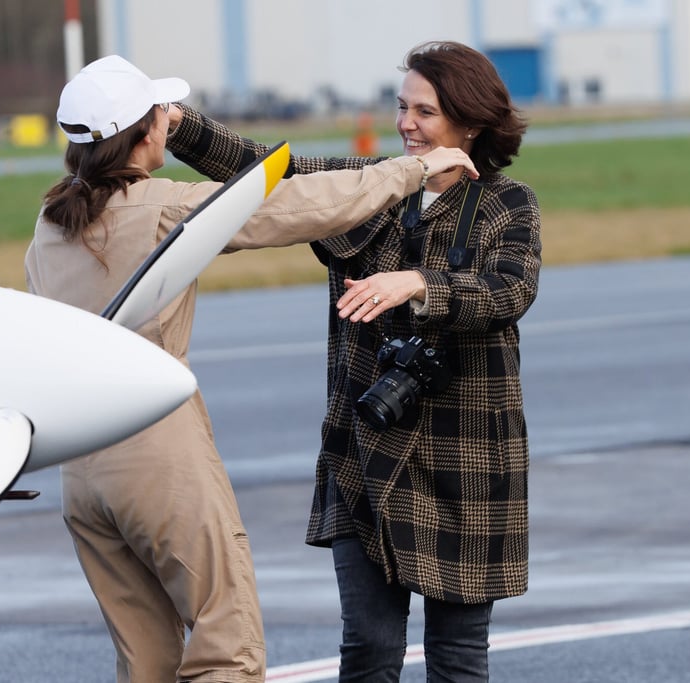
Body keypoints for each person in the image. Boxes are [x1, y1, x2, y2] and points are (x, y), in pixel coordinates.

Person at [24, 54, 479, 683]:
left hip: (81, 470)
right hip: (154, 454)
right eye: (158, 112)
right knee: (226, 648)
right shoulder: (163, 208)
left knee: (146, 661)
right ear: (144, 132)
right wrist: (412, 170)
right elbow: (294, 204)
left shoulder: (48, 227)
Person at [166, 40, 542, 682]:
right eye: (402, 107)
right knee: (368, 649)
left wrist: (422, 284)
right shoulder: (370, 187)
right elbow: (265, 169)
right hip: (365, 448)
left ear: (470, 124)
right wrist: (181, 125)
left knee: (457, 658)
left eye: (425, 111)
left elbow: (512, 290)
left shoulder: (509, 204)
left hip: (467, 459)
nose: (405, 124)